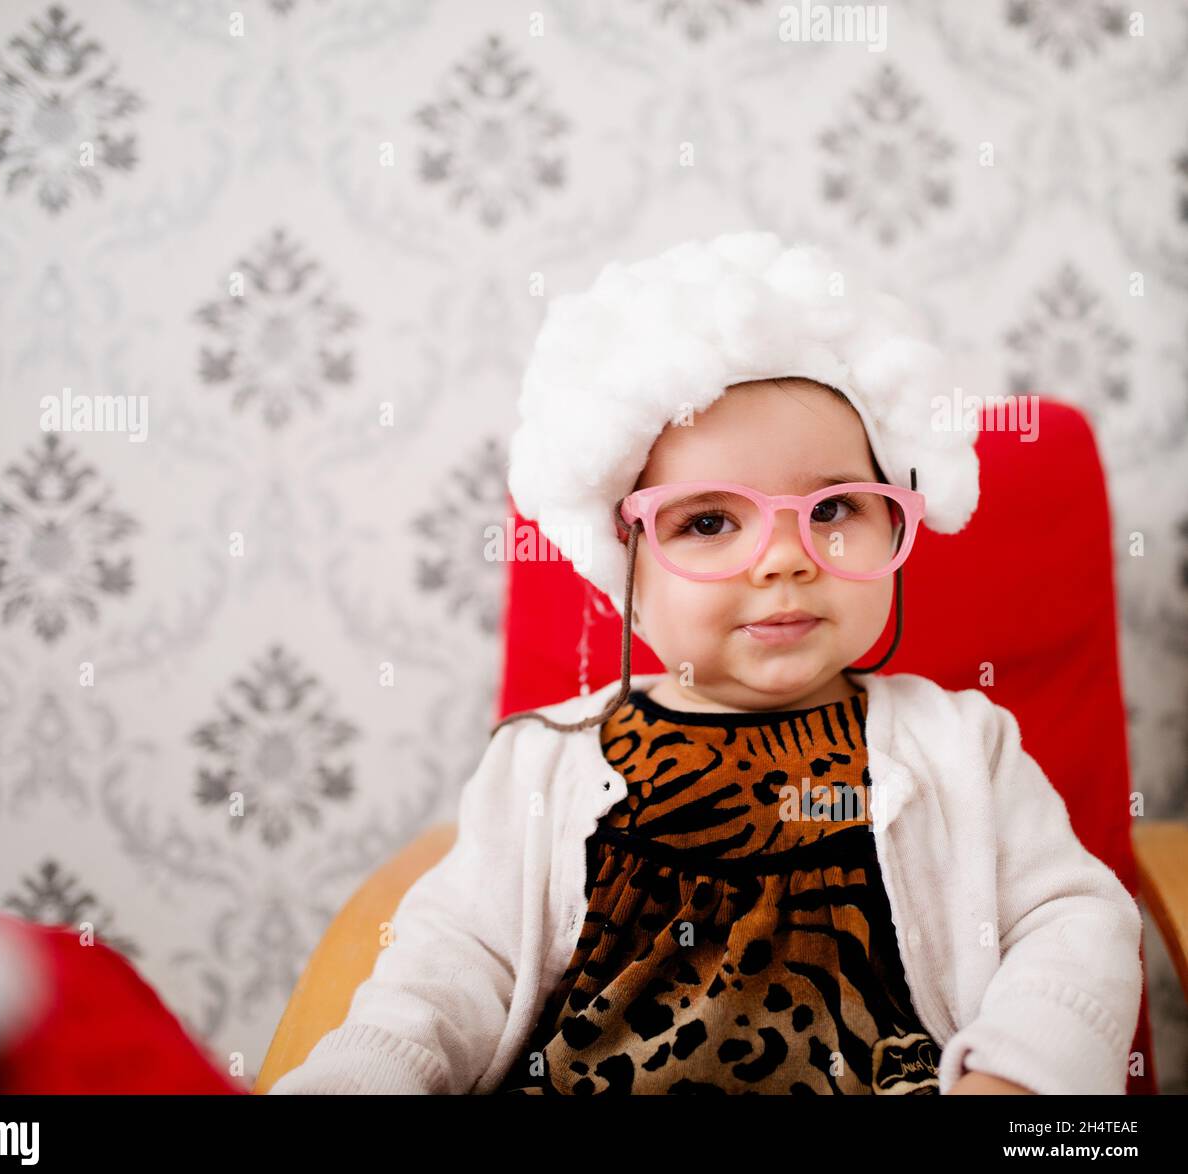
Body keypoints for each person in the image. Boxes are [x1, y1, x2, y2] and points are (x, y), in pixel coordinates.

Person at [269, 231, 1143, 1095]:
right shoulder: (539, 762)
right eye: (710, 522)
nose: (784, 559)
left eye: (834, 505)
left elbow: (1070, 921)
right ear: (626, 566)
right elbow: (437, 977)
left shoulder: (962, 743)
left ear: (897, 524)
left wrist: (1018, 1077)